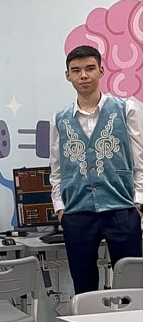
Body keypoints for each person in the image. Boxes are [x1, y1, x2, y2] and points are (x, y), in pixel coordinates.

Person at [49, 44, 143, 296]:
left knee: (132, 287)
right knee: (84, 287)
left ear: (101, 71)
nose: (83, 75)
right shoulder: (60, 118)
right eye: (76, 70)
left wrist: (138, 203)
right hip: (77, 212)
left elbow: (139, 161)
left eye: (90, 68)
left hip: (122, 208)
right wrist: (60, 208)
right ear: (67, 75)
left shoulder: (126, 109)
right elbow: (56, 167)